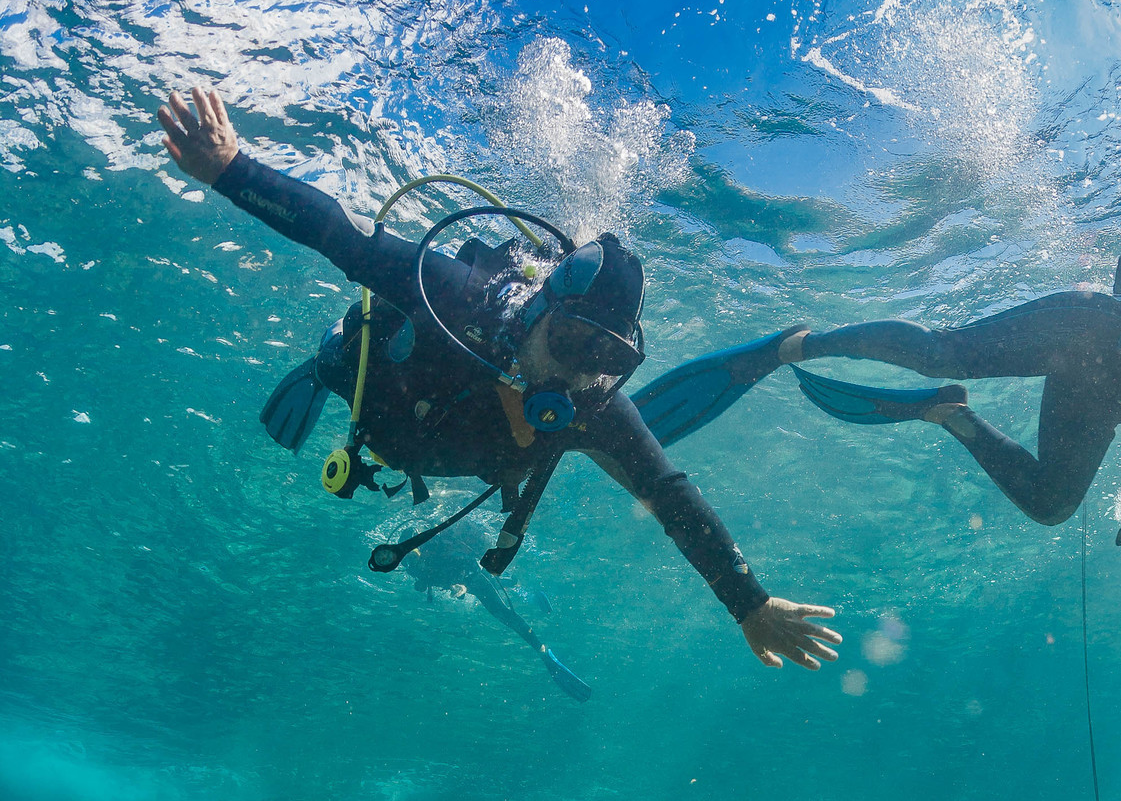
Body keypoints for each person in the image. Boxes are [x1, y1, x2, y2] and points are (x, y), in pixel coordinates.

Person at [155, 87, 840, 672]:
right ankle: (320, 367)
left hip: (440, 446)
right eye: (569, 342)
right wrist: (231, 170)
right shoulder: (458, 296)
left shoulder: (593, 405)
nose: (577, 371)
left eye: (604, 359)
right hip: (380, 392)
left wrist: (748, 604)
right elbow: (341, 234)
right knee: (345, 356)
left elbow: (668, 492)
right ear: (540, 311)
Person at [631, 233, 1121, 559]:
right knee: (942, 348)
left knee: (1052, 504)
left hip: (1106, 392)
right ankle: (796, 344)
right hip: (1094, 331)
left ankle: (951, 415)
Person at [397, 518, 592, 702]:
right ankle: (522, 591)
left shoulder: (438, 547)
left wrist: (464, 586)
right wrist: (436, 582)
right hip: (459, 580)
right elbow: (429, 579)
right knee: (498, 588)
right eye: (408, 558)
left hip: (472, 577)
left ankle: (542, 648)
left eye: (413, 554)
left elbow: (468, 565)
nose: (413, 561)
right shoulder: (412, 566)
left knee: (503, 612)